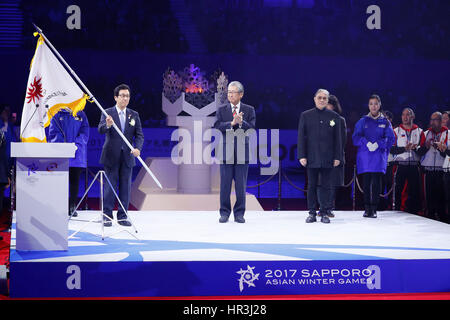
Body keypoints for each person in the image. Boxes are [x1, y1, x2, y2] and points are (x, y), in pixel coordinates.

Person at [98, 84, 144, 227]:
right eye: (122, 95)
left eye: (127, 96)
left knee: (125, 187)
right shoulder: (107, 113)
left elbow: (139, 135)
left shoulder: (134, 114)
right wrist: (108, 125)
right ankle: (107, 215)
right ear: (116, 97)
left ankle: (123, 216)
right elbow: (100, 130)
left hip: (128, 157)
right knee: (110, 186)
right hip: (111, 155)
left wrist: (137, 148)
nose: (125, 98)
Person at [298, 89, 342, 224]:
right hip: (311, 157)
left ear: (328, 100)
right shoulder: (306, 115)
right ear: (314, 99)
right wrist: (302, 155)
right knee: (311, 185)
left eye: (324, 98)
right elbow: (301, 137)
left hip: (328, 158)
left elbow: (338, 139)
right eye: (320, 97)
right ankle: (311, 212)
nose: (322, 100)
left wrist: (337, 157)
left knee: (326, 186)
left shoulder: (334, 116)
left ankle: (324, 212)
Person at [214, 81, 256, 224]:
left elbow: (252, 129)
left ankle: (239, 214)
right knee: (225, 186)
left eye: (233, 92)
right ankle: (224, 213)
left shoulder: (249, 110)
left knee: (240, 186)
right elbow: (217, 126)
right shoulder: (222, 109)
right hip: (226, 153)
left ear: (241, 94)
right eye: (229, 92)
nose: (230, 94)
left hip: (242, 153)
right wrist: (231, 123)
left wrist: (241, 122)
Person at [352, 95, 395, 218]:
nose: (373, 106)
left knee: (376, 182)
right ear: (368, 105)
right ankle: (367, 208)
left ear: (380, 105)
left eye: (376, 103)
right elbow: (355, 138)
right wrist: (366, 143)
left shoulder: (385, 122)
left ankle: (374, 209)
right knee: (366, 183)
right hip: (365, 157)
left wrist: (379, 144)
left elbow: (391, 138)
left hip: (378, 156)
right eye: (371, 103)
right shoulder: (362, 121)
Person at [48, 107, 89, 217]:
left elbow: (85, 132)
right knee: (60, 182)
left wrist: (76, 144)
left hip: (77, 154)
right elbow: (53, 132)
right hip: (61, 154)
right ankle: (60, 206)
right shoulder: (57, 113)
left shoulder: (81, 114)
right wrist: (63, 146)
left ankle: (72, 206)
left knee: (74, 181)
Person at [389, 108, 425, 215]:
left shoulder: (419, 131)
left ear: (412, 117)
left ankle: (414, 213)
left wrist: (414, 148)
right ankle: (397, 212)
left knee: (414, 192)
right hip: (400, 165)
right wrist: (404, 148)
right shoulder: (396, 131)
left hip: (414, 166)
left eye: (408, 115)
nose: (405, 117)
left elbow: (423, 151)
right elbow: (391, 149)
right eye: (403, 115)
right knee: (398, 190)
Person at [318, 94, 346, 218]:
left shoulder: (339, 120)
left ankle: (328, 208)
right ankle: (321, 207)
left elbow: (342, 141)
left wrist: (336, 157)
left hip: (334, 157)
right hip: (319, 157)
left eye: (327, 103)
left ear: (333, 106)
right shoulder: (317, 118)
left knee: (331, 183)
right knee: (320, 183)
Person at [419, 112, 448, 222]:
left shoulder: (448, 133)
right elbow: (419, 152)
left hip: (442, 170)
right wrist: (426, 147)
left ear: (441, 121)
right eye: (431, 119)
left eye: (435, 119)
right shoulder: (425, 133)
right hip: (429, 169)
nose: (432, 122)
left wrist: (442, 149)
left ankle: (443, 219)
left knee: (441, 197)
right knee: (429, 197)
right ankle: (430, 217)